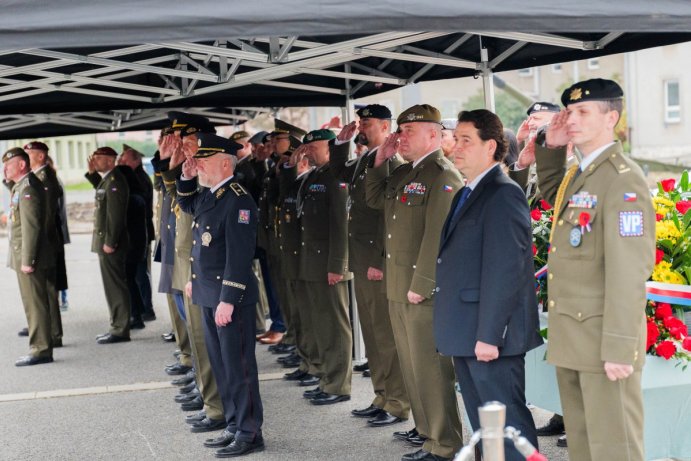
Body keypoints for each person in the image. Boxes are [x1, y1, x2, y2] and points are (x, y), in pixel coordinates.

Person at [534, 78, 655, 461]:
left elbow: (629, 270)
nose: (571, 119)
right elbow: (555, 201)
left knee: (613, 447)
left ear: (612, 118)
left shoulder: (623, 180)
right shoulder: (580, 172)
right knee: (584, 446)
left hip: (605, 340)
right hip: (575, 336)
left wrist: (620, 347)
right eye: (569, 111)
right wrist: (552, 150)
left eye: (583, 111)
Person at [434, 109, 542, 460]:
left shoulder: (502, 193)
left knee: (508, 428)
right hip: (469, 330)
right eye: (457, 139)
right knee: (484, 427)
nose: (457, 147)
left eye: (467, 140)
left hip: (490, 335)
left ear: (490, 145)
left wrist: (489, 336)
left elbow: (506, 271)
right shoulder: (468, 192)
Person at [366, 104, 464, 461]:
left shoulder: (442, 174)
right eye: (400, 130)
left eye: (409, 131)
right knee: (411, 366)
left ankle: (445, 443)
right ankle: (427, 433)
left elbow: (437, 237)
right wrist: (381, 157)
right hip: (398, 286)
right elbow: (373, 197)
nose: (400, 137)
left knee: (431, 370)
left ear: (434, 135)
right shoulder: (406, 172)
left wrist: (422, 282)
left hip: (423, 290)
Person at [176, 133, 265, 457]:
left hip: (230, 300)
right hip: (209, 294)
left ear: (225, 163)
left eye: (204, 160)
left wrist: (228, 299)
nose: (198, 164)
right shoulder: (212, 194)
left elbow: (239, 256)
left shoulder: (238, 199)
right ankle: (233, 424)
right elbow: (186, 204)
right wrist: (185, 176)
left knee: (239, 369)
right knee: (223, 367)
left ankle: (250, 431)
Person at [332, 104, 410, 427]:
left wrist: (379, 259)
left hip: (378, 261)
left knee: (386, 335)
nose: (361, 125)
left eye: (367, 122)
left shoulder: (391, 161)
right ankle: (381, 394)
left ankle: (398, 402)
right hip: (362, 259)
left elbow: (388, 217)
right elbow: (340, 175)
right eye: (361, 121)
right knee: (372, 334)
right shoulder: (367, 159)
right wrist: (340, 145)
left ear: (385, 125)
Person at [285, 129, 353, 405]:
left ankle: (338, 385)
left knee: (335, 326)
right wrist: (294, 170)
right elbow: (294, 204)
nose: (309, 151)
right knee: (319, 323)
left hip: (328, 263)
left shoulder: (335, 177)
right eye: (307, 146)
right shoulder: (313, 176)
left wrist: (338, 265)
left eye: (315, 146)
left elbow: (341, 224)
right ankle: (326, 377)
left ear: (330, 148)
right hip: (310, 262)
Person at [3, 148, 54, 366]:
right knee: (31, 304)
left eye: (8, 164)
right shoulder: (22, 185)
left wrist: (28, 260)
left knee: (36, 304)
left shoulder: (28, 187)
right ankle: (39, 346)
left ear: (22, 165)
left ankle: (41, 349)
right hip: (23, 256)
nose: (4, 169)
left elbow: (32, 227)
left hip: (29, 258)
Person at [85, 146, 131, 344]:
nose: (95, 161)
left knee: (116, 286)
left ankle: (120, 328)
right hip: (106, 242)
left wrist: (110, 242)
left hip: (112, 244)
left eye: (99, 158)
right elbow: (101, 192)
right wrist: (92, 174)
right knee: (110, 286)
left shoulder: (115, 181)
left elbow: (115, 215)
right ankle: (116, 324)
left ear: (111, 160)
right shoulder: (108, 179)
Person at [24, 141, 64, 347]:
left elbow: (46, 216)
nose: (24, 160)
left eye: (28, 155)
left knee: (48, 292)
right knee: (47, 292)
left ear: (40, 157)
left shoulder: (45, 179)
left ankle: (53, 334)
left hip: (45, 243)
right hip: (45, 243)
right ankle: (49, 330)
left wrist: (40, 245)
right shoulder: (39, 177)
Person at [118, 144, 156, 321]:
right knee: (137, 273)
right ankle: (142, 308)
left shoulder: (139, 178)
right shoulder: (133, 176)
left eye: (124, 160)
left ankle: (146, 309)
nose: (121, 163)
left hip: (140, 234)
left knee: (140, 274)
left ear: (136, 161)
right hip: (138, 234)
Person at [115, 165, 148, 330]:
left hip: (131, 246)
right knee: (132, 281)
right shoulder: (136, 195)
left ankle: (136, 315)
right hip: (136, 245)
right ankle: (138, 311)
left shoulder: (132, 198)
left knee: (129, 282)